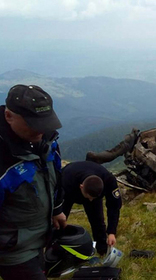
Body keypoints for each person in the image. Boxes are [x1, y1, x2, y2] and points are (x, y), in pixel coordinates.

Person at [0, 84, 67, 280]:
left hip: (38, 238)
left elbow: (55, 172)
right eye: (32, 122)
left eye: (45, 121)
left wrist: (57, 208)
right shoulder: (4, 158)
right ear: (9, 116)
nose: (41, 129)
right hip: (12, 250)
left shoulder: (46, 139)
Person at [61, 161, 122, 255]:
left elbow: (114, 206)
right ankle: (56, 249)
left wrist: (111, 232)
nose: (90, 200)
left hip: (92, 189)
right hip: (69, 191)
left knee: (97, 221)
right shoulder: (66, 178)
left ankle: (102, 250)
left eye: (93, 198)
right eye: (89, 197)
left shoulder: (109, 180)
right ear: (81, 187)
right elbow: (56, 200)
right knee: (59, 222)